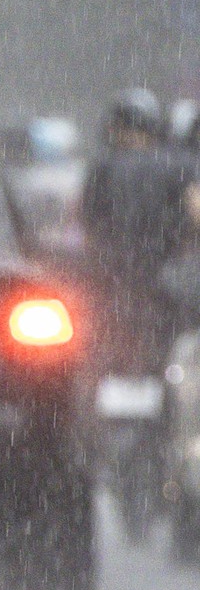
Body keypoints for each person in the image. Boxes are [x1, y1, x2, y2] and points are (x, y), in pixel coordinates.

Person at [81, 87, 192, 379]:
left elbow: (86, 222)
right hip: (161, 277)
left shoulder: (101, 167)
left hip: (110, 280)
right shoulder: (177, 165)